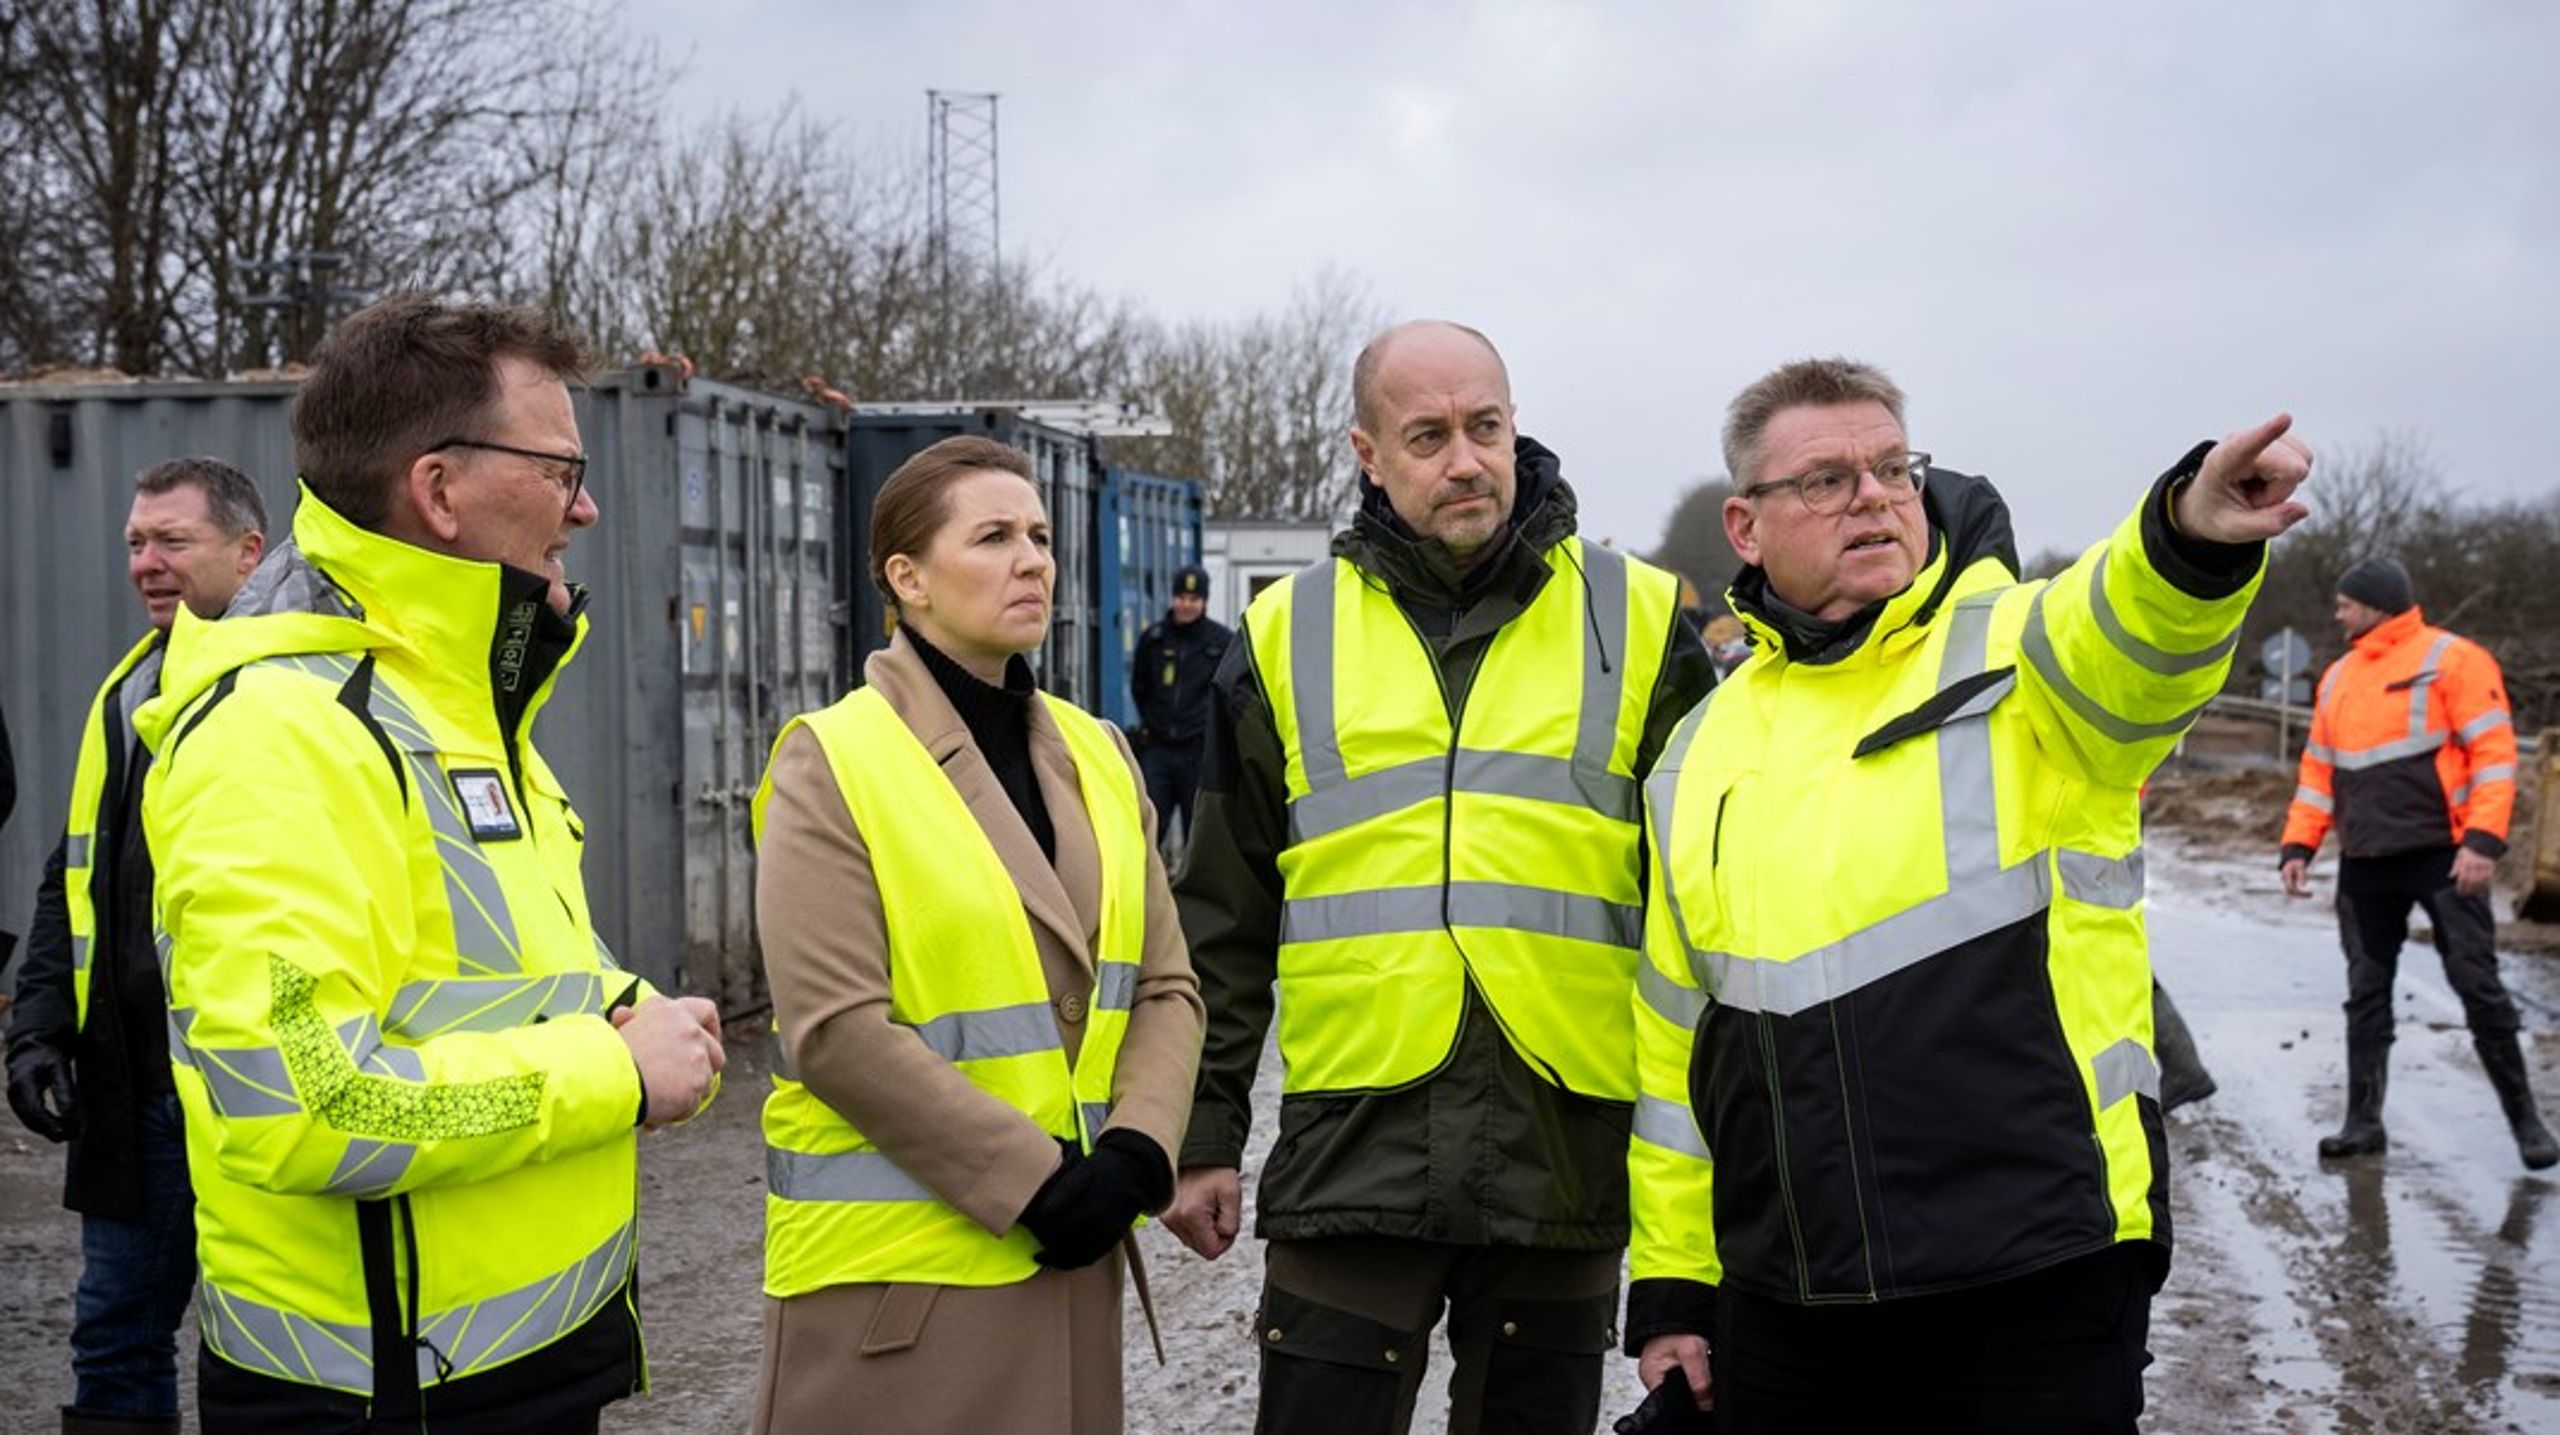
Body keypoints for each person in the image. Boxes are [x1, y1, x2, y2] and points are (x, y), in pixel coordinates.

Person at [1628, 357, 2311, 1432]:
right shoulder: (1696, 751)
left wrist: (2188, 535)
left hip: (2029, 1275)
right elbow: (1674, 1052)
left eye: (1893, 468)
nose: (1870, 495)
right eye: (1824, 479)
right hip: (1788, 1298)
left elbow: (2132, 630)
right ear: (1744, 527)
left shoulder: (2023, 651)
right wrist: (1673, 1287)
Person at [134, 295, 726, 1434]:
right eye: (560, 469)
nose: (586, 506)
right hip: (386, 1394)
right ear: (440, 489)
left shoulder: (450, 706)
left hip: (514, 1368)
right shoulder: (281, 733)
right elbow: (306, 1101)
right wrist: (615, 1072)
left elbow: (482, 975)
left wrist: (624, 1004)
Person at [1162, 320, 1717, 1435]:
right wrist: (1204, 1132)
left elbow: (1707, 916)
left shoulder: (1645, 623)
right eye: (1427, 436)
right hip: (1352, 1144)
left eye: (1485, 427)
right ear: (1367, 451)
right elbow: (1220, 914)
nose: (1465, 459)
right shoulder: (1282, 635)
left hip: (1562, 1145)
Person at [750, 435, 1204, 1434]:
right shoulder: (833, 759)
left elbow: (1165, 983)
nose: (1033, 558)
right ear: (905, 577)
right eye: (993, 536)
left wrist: (1138, 1147)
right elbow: (835, 1030)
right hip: (905, 1290)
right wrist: (1036, 1181)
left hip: (1072, 1258)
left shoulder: (1097, 751)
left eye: (1038, 535)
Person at [6, 459, 266, 1434]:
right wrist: (35, 1031)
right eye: (134, 544)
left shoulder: (291, 689)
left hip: (257, 1093)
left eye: (172, 542)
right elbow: (72, 878)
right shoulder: (130, 690)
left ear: (249, 551)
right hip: (137, 1087)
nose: (147, 565)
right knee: (114, 1331)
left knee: (277, 1350)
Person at [2279, 557, 2555, 1169]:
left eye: (2347, 602)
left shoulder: (2453, 659)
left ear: (2376, 603)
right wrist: (2299, 845)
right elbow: (2317, 775)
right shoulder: (2338, 677)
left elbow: (2494, 755)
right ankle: (2362, 1123)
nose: (2338, 612)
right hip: (2365, 860)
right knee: (2365, 992)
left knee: (2476, 985)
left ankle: (2528, 1125)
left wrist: (2483, 842)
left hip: (2444, 855)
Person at [1130, 562, 1231, 850]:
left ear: (1204, 601)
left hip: (1198, 753)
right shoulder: (1154, 640)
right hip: (1159, 750)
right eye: (1181, 598)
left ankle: (1192, 895)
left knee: (1200, 835)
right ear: (1173, 598)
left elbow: (1228, 695)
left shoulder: (1221, 642)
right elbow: (1140, 686)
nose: (1186, 605)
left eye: (1194, 599)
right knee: (1145, 829)